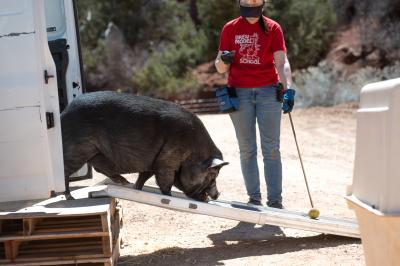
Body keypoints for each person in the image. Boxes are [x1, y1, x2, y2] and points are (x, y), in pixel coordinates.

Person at [214, 0, 295, 208]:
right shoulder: (230, 28)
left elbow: (281, 62)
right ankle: (254, 198)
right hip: (239, 93)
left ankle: (275, 200)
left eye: (255, 10)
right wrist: (225, 60)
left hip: (268, 91)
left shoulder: (273, 27)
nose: (251, 14)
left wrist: (288, 89)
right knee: (247, 149)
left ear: (262, 6)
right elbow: (220, 68)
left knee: (271, 148)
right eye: (247, 10)